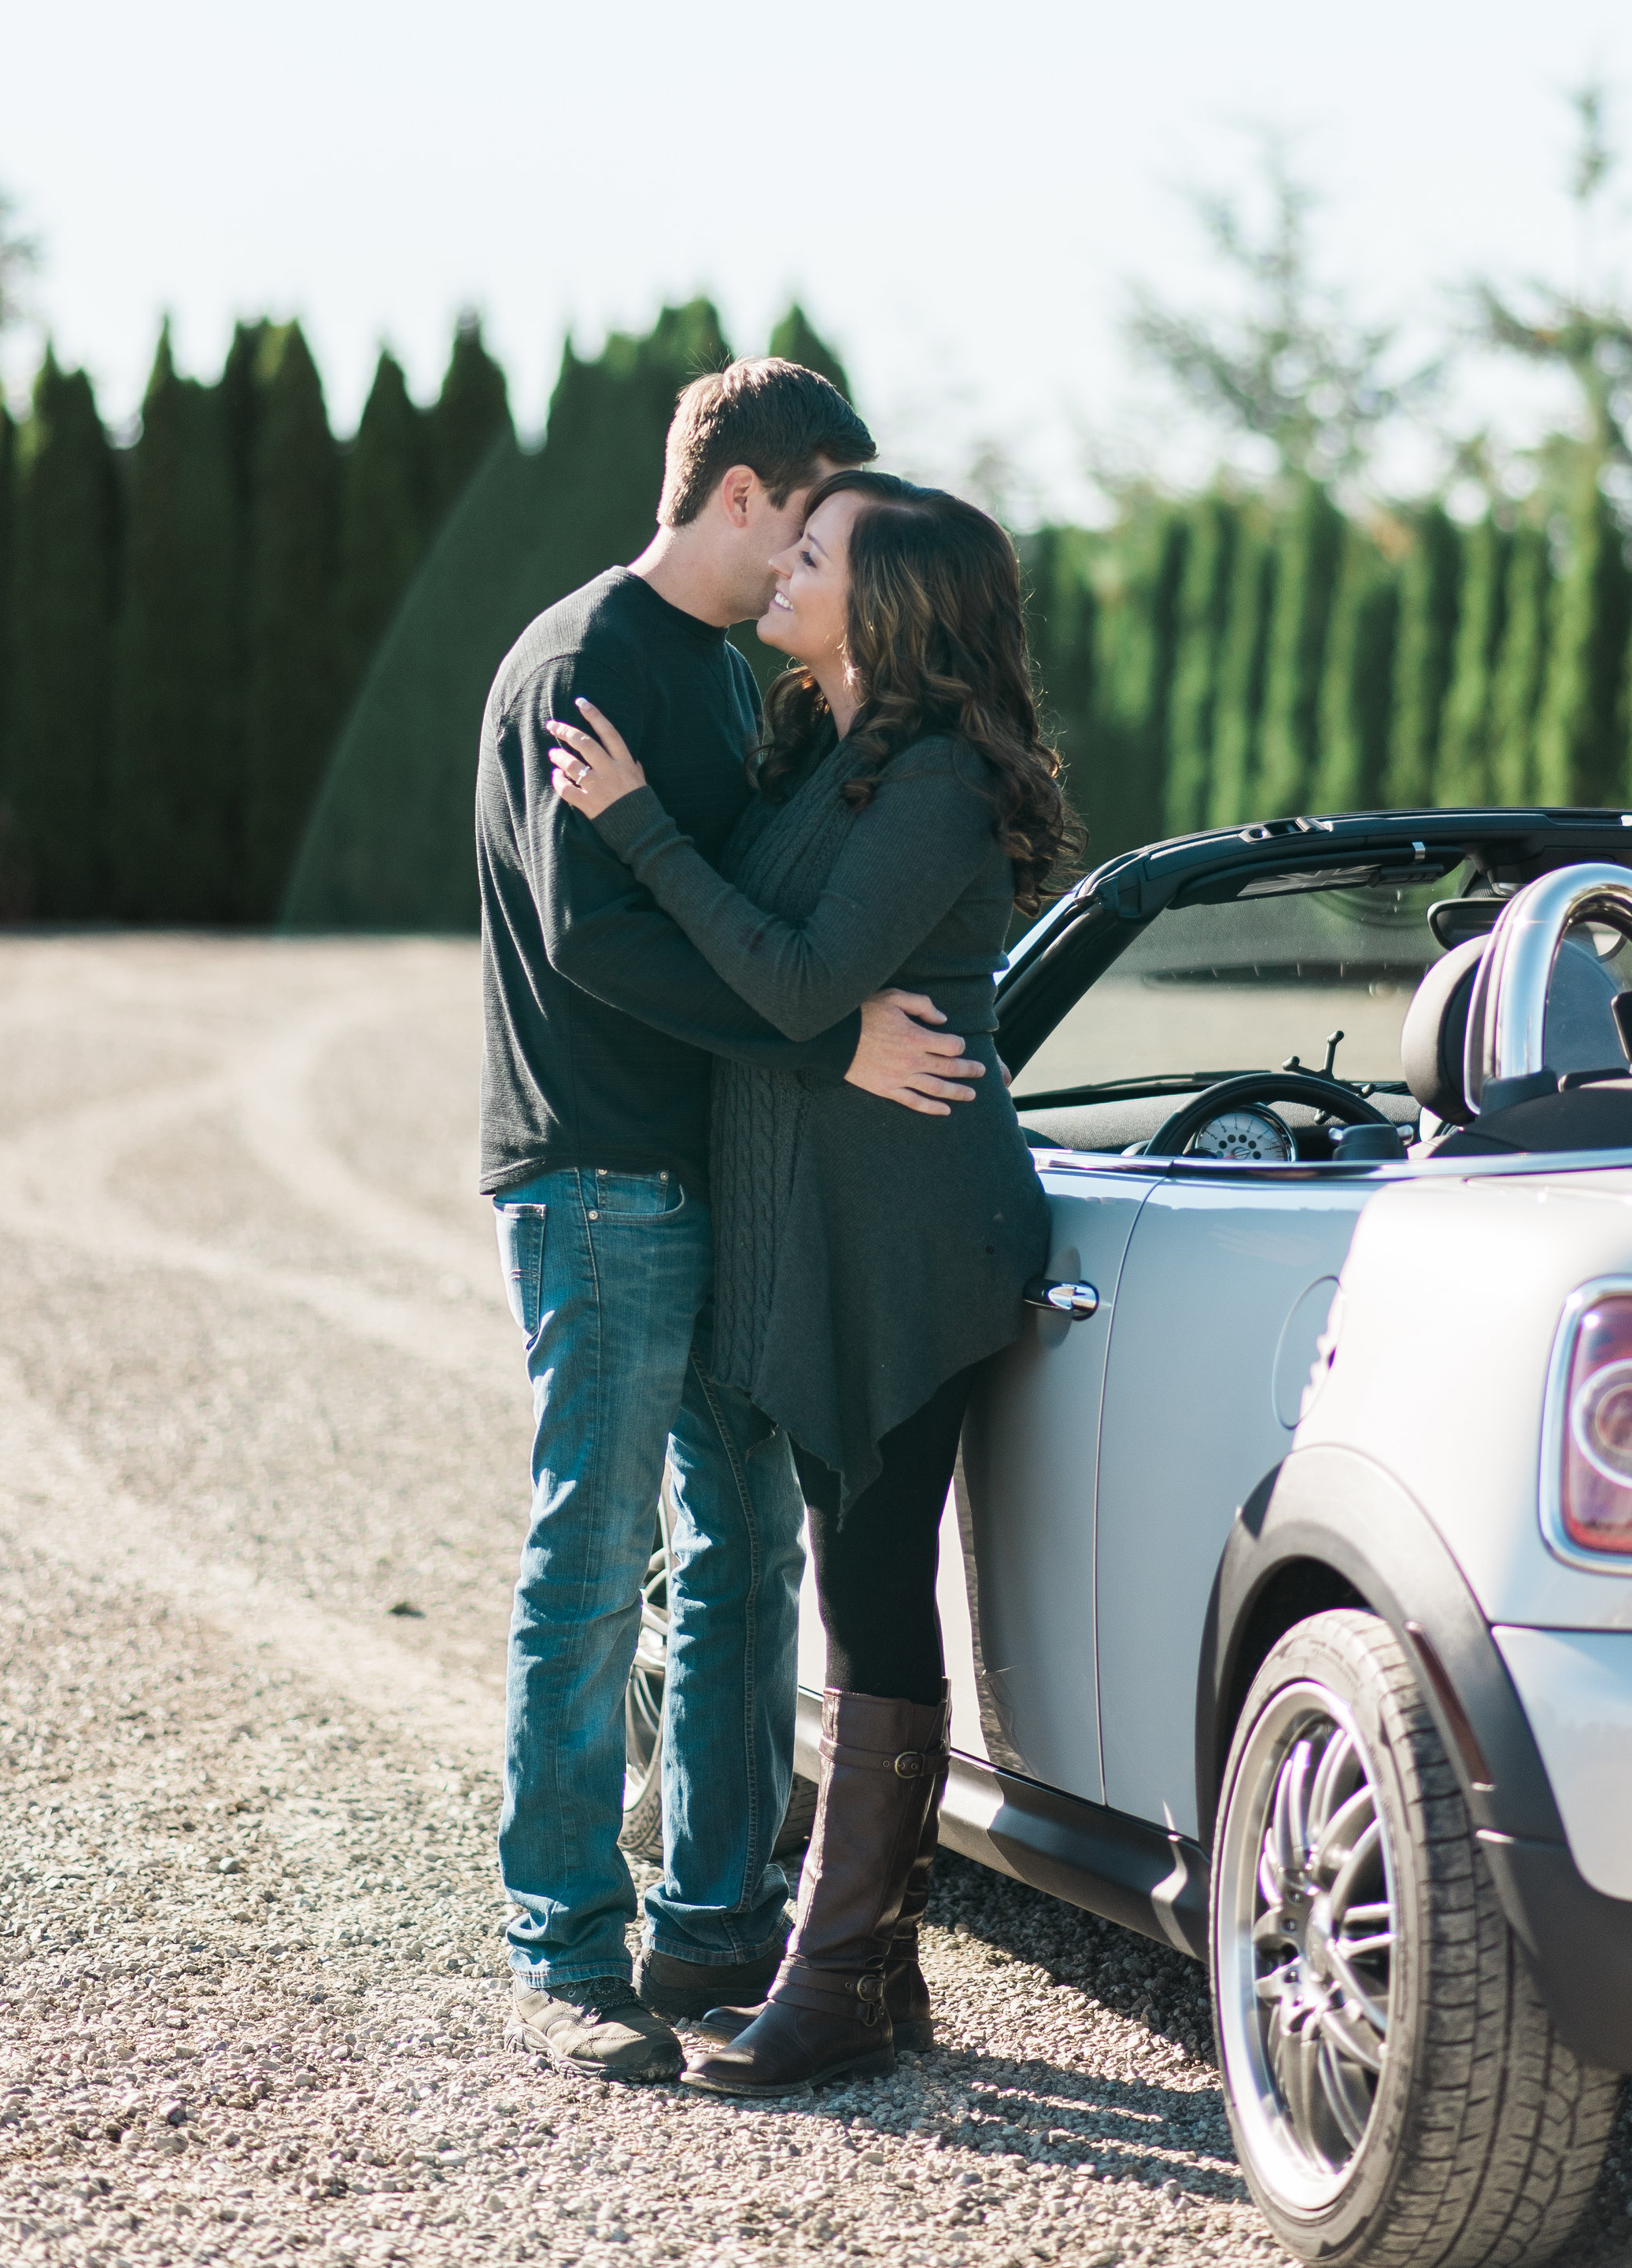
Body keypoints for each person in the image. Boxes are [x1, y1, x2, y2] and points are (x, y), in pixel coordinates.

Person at [480, 362, 986, 2086]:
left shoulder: (717, 679)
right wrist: (824, 1033)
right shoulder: (586, 661)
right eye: (819, 515)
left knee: (745, 1550)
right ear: (757, 489)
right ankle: (563, 1938)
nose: (805, 568)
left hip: (721, 1185)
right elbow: (593, 939)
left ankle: (713, 1911)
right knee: (596, 1557)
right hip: (601, 1176)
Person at [546, 467, 1080, 2095]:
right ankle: (876, 1967)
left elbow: (789, 974)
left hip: (916, 1240)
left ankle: (840, 1970)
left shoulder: (925, 780)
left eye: (820, 549)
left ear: (896, 600)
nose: (787, 561)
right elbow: (785, 991)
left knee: (867, 1583)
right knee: (849, 1571)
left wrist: (633, 822)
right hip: (830, 1231)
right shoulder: (824, 753)